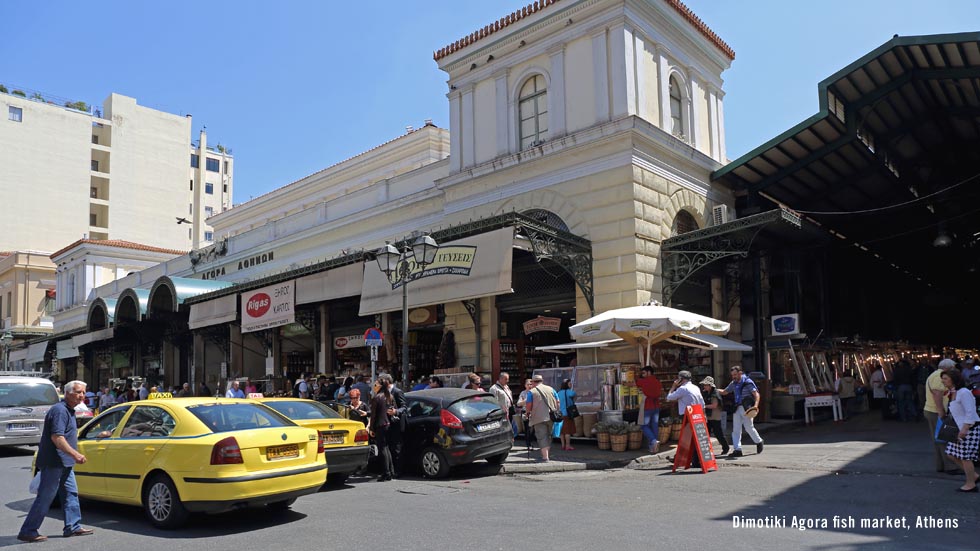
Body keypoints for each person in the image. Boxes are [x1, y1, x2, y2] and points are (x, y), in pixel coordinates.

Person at [18, 380, 94, 543]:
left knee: (70, 494)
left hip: (64, 463)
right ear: (67, 393)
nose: (81, 396)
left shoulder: (69, 410)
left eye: (83, 393)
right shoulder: (60, 411)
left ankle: (72, 526)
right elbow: (57, 437)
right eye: (78, 392)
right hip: (54, 462)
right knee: (46, 496)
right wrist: (75, 454)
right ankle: (28, 530)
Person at [940, 369, 979, 492]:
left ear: (953, 379)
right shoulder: (952, 392)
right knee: (951, 454)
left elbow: (970, 412)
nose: (943, 380)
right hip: (959, 428)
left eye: (945, 378)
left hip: (969, 429)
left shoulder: (964, 392)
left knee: (965, 457)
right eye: (943, 378)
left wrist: (965, 429)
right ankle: (973, 476)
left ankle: (970, 484)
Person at [924, 359, 961, 474]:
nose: (953, 370)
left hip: (932, 410)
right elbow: (937, 395)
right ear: (947, 368)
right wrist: (941, 413)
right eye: (952, 368)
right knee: (944, 439)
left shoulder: (935, 375)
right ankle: (950, 467)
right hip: (935, 411)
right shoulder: (939, 377)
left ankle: (941, 465)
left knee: (938, 439)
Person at [718, 366, 763, 457]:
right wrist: (714, 389)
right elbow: (725, 392)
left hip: (747, 408)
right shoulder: (733, 383)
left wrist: (755, 406)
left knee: (749, 427)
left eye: (735, 374)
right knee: (736, 430)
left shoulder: (748, 382)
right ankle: (737, 449)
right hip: (737, 408)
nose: (733, 377)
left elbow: (756, 394)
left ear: (740, 373)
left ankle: (759, 441)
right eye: (732, 375)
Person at [524, 374, 560, 462]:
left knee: (542, 436)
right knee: (548, 435)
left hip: (538, 417)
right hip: (551, 416)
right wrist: (556, 410)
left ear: (533, 382)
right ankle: (546, 454)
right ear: (541, 381)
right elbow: (558, 401)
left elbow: (528, 404)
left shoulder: (532, 392)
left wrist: (528, 413)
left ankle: (545, 457)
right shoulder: (551, 389)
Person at [380, 374, 407, 476]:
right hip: (387, 423)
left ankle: (398, 470)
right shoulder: (383, 393)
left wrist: (396, 411)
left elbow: (404, 407)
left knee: (397, 448)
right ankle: (391, 470)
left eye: (381, 381)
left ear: (387, 381)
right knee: (390, 447)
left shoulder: (397, 392)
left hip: (396, 424)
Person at [369, 379, 394, 482]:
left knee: (382, 449)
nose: (374, 386)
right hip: (387, 424)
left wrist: (371, 428)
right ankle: (390, 471)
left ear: (379, 386)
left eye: (375, 384)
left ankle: (386, 473)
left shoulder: (377, 397)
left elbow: (374, 415)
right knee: (386, 448)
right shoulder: (389, 396)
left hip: (380, 425)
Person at [636, 366, 663, 453]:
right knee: (654, 425)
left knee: (643, 426)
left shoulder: (644, 381)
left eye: (643, 373)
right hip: (656, 406)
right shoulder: (657, 381)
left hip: (647, 406)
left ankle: (653, 441)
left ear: (649, 372)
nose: (642, 375)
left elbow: (632, 383)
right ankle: (654, 448)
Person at [700, 376, 730, 456]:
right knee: (707, 434)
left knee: (718, 433)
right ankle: (706, 450)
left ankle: (725, 447)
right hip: (708, 416)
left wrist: (704, 406)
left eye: (706, 385)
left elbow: (714, 405)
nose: (704, 386)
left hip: (715, 416)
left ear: (710, 385)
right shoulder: (706, 393)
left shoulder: (714, 393)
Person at [557, 379, 577, 451]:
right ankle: (568, 445)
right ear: (566, 385)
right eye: (569, 383)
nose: (571, 384)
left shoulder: (559, 393)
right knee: (567, 431)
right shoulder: (569, 392)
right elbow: (574, 394)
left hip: (560, 414)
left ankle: (563, 445)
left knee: (562, 431)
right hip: (567, 414)